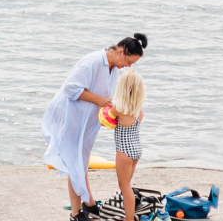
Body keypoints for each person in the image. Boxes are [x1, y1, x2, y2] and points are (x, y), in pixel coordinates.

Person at [42, 33, 147, 219]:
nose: (128, 67)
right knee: (75, 164)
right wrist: (99, 100)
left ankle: (89, 204)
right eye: (129, 62)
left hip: (87, 122)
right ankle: (76, 213)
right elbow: (71, 88)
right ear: (121, 51)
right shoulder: (92, 61)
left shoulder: (113, 68)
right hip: (72, 118)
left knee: (81, 163)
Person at [109, 69, 146, 213]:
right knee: (126, 185)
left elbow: (105, 118)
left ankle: (129, 218)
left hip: (124, 151)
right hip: (136, 149)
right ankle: (129, 211)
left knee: (125, 187)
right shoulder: (139, 111)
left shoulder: (119, 108)